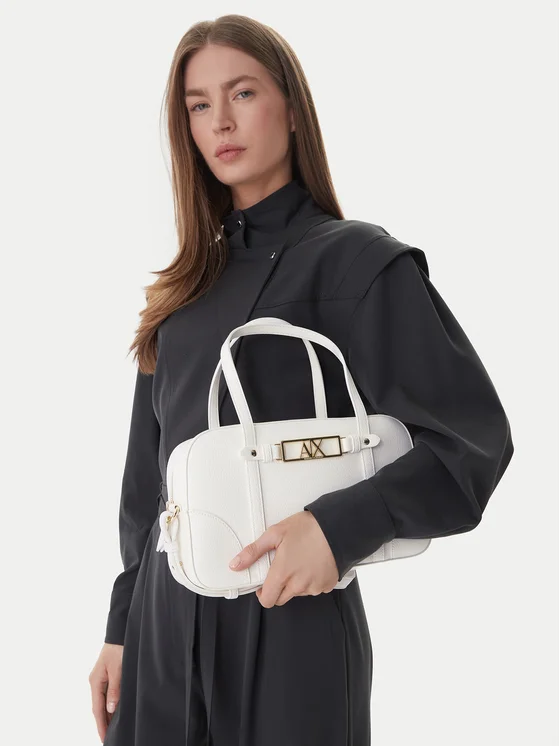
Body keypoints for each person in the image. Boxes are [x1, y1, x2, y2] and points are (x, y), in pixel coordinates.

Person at [88, 14, 514, 746]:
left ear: (291, 107)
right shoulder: (182, 293)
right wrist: (121, 627)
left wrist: (337, 528)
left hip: (291, 627)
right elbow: (146, 483)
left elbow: (471, 445)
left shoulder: (359, 264)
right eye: (198, 105)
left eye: (242, 93)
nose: (220, 122)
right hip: (162, 634)